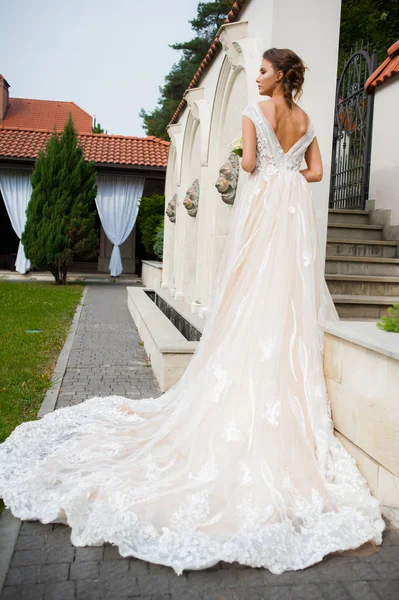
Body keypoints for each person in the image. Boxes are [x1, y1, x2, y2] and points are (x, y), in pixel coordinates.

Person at [0, 48, 385, 576]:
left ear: (277, 77)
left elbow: (248, 166)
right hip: (291, 216)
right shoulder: (307, 120)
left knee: (247, 293)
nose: (256, 78)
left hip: (265, 211)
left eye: (263, 71)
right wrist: (289, 170)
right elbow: (317, 173)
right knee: (284, 298)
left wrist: (257, 163)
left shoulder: (257, 113)